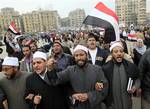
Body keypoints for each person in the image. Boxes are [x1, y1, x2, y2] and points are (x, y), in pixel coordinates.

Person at [48, 44, 108, 109]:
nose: (79, 58)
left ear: (87, 56)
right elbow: (55, 80)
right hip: (78, 106)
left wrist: (88, 96)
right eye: (76, 55)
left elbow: (104, 88)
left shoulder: (97, 69)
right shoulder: (70, 70)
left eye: (81, 55)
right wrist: (51, 69)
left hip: (95, 106)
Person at [99, 42, 139, 109]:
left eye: (121, 51)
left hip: (127, 102)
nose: (119, 53)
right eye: (116, 51)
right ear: (111, 54)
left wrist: (135, 87)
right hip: (112, 103)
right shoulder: (105, 68)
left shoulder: (130, 66)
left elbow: (137, 78)